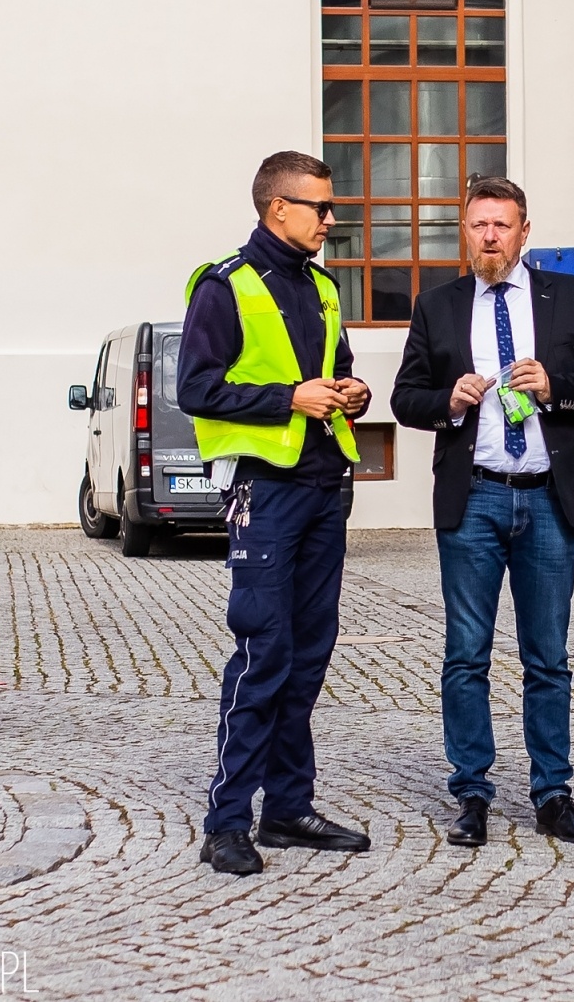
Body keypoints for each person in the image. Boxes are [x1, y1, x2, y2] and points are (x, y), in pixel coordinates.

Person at [391, 176, 574, 848]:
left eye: (501, 225)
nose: (489, 236)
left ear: (525, 232)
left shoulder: (572, 297)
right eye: (477, 225)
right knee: (465, 654)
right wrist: (451, 400)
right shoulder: (437, 306)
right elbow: (406, 396)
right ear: (464, 232)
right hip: (475, 494)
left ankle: (552, 791)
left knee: (547, 657)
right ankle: (471, 789)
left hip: (549, 496)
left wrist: (556, 388)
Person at [179, 150, 372, 876]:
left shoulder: (323, 286)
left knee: (308, 657)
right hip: (266, 490)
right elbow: (197, 389)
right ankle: (226, 820)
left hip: (325, 485)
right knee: (263, 652)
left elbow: (338, 367)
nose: (331, 219)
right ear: (276, 208)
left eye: (331, 206)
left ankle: (288, 808)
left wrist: (350, 393)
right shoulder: (223, 287)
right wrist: (288, 397)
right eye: (320, 207)